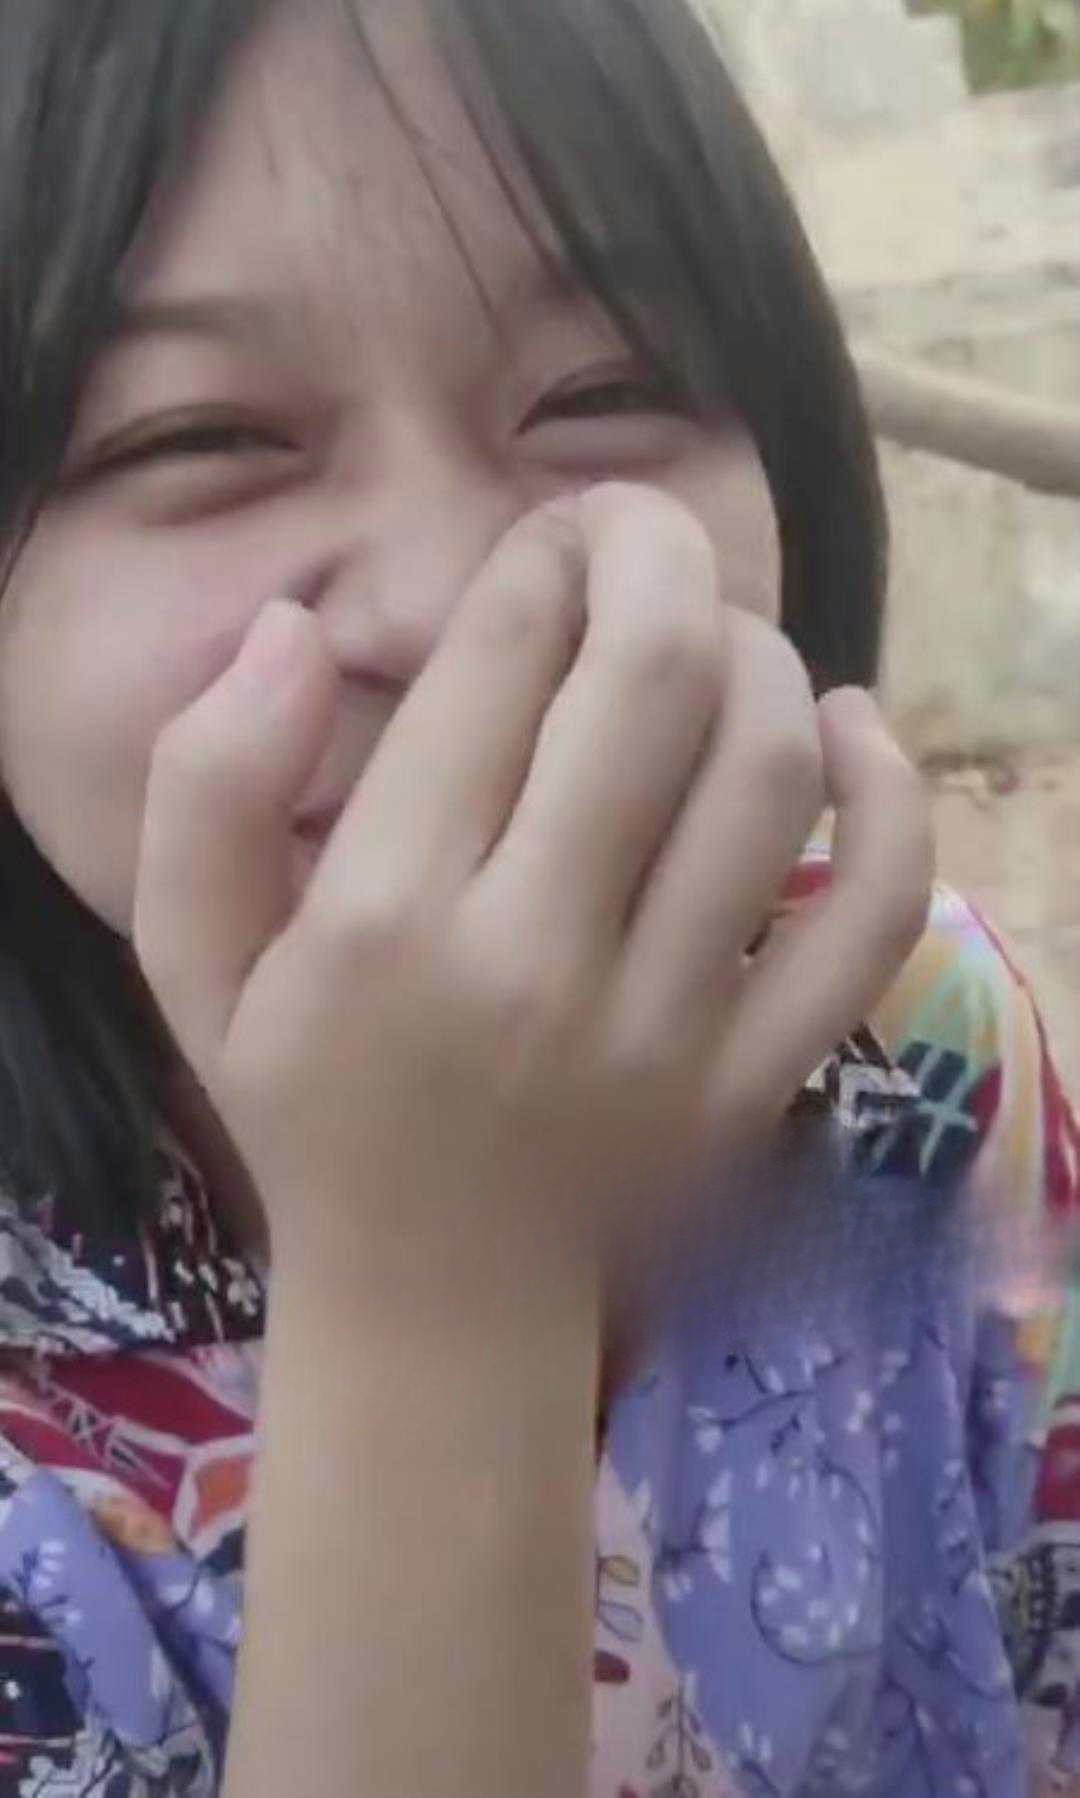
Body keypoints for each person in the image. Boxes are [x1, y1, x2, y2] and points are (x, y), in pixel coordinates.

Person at [0, 0, 1076, 1791]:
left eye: (599, 395)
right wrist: (437, 1286)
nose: (453, 599)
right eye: (201, 434)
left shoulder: (920, 1038)